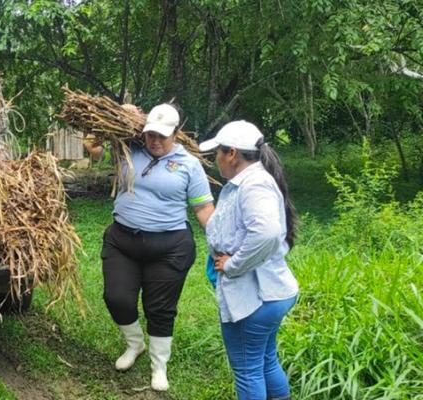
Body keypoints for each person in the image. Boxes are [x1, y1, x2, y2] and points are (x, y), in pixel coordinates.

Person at [100, 103, 215, 391]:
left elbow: (203, 210)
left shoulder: (189, 164)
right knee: (116, 298)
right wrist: (118, 111)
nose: (155, 140)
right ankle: (134, 343)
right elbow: (93, 144)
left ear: (176, 133)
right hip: (122, 241)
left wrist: (220, 243)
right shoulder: (128, 148)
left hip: (169, 247)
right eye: (151, 133)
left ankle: (159, 365)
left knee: (160, 308)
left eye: (163, 136)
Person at [199, 121, 299, 400]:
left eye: (218, 152)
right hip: (272, 293)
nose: (216, 158)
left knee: (247, 370)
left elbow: (267, 233)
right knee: (265, 361)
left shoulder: (253, 185)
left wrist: (233, 264)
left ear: (232, 153)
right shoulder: (252, 180)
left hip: (255, 298)